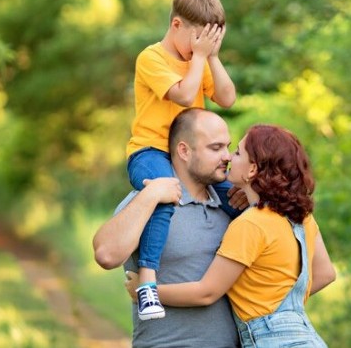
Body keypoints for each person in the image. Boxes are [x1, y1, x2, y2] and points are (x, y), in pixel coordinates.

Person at [126, 124, 337, 347]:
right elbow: (325, 274)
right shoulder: (302, 217)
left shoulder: (250, 224)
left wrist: (145, 291)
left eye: (237, 152)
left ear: (252, 169)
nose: (228, 157)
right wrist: (281, 308)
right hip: (306, 337)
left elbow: (206, 292)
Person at [125, 0, 238, 320]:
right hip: (152, 151)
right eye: (198, 40)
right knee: (164, 191)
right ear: (177, 26)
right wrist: (201, 57)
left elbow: (228, 98)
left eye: (211, 41)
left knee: (236, 197)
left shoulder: (198, 59)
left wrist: (211, 57)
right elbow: (186, 96)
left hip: (193, 157)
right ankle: (147, 283)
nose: (200, 49)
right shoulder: (152, 58)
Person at [94, 108, 241, 347]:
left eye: (228, 146)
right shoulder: (147, 200)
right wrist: (151, 194)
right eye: (215, 148)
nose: (226, 156)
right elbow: (106, 255)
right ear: (183, 150)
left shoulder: (231, 207)